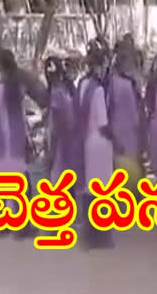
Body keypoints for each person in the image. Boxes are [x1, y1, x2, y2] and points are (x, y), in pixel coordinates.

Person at [0, 50, 33, 239]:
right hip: (15, 143)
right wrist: (28, 141)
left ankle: (1, 225)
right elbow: (22, 118)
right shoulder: (18, 88)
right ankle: (22, 228)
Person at [75, 39, 115, 250]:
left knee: (89, 190)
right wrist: (115, 141)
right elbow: (103, 124)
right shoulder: (98, 90)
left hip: (85, 142)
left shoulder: (82, 84)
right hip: (100, 144)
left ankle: (88, 235)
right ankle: (102, 237)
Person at [108, 47, 145, 188]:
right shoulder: (124, 84)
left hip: (122, 138)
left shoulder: (115, 82)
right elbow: (136, 115)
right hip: (125, 139)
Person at [44, 56, 77, 189]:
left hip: (60, 148)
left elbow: (57, 127)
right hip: (69, 145)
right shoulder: (67, 90)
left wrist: (51, 153)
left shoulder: (57, 94)